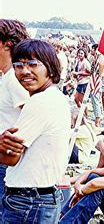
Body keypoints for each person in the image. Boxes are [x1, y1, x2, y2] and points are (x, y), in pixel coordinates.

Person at [0, 39, 71, 223]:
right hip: (39, 198)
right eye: (18, 65)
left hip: (28, 201)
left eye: (32, 64)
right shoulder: (54, 97)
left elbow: (9, 158)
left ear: (50, 67)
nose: (24, 71)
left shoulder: (40, 102)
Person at [0, 19, 29, 219]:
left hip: (8, 159)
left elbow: (30, 112)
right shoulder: (7, 76)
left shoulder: (14, 78)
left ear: (6, 44)